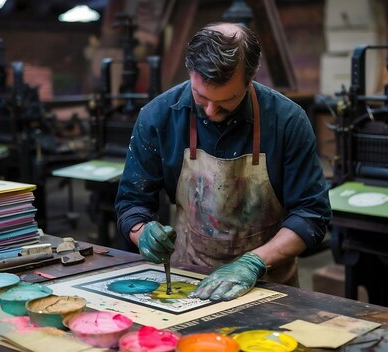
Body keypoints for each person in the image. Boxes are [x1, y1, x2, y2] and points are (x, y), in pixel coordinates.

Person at [114, 22, 331, 302]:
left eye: (226, 100)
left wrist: (251, 263)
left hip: (269, 284)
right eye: (201, 97)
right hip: (189, 280)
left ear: (250, 77)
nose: (212, 111)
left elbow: (311, 215)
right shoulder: (159, 116)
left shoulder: (286, 121)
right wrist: (142, 233)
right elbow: (132, 203)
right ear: (190, 71)